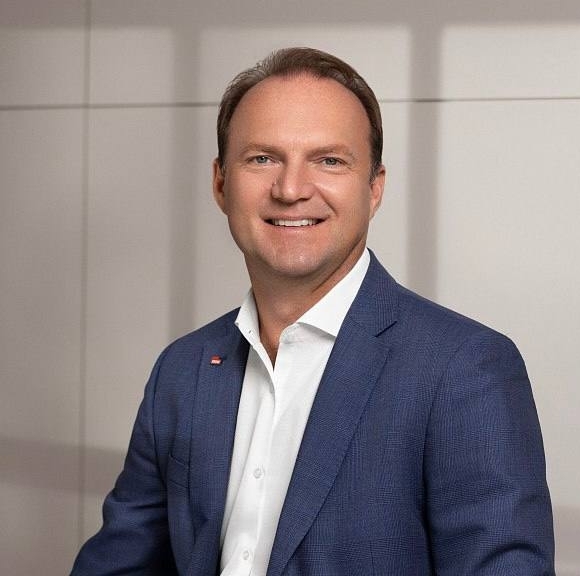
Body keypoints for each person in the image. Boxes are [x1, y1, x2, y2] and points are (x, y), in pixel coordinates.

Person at [72, 47, 554, 575]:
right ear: (220, 184)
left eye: (329, 160)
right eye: (263, 158)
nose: (291, 190)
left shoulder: (463, 369)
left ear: (374, 188)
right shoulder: (182, 370)